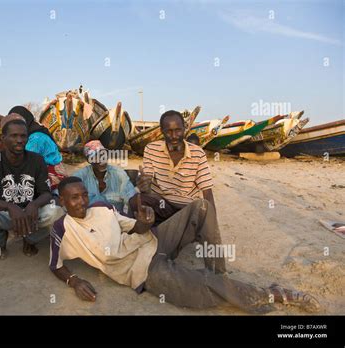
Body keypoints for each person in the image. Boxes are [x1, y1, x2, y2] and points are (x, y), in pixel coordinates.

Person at [49, 177, 320, 313]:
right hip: (144, 271)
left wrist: (146, 221)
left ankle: (219, 272)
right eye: (74, 198)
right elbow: (55, 265)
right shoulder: (62, 229)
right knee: (201, 284)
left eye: (84, 195)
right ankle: (270, 294)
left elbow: (134, 227)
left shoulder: (102, 206)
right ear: (62, 201)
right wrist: (74, 281)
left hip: (153, 241)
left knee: (200, 207)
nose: (82, 202)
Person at [0, 113, 64, 259]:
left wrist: (34, 205)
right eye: (14, 136)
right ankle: (0, 242)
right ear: (3, 138)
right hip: (5, 213)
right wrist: (10, 207)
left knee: (56, 213)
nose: (19, 140)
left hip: (31, 213)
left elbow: (46, 193)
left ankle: (30, 240)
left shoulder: (37, 160)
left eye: (23, 136)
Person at [130, 110, 216, 225]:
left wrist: (212, 223)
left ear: (184, 128)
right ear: (161, 131)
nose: (174, 136)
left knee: (200, 209)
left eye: (178, 130)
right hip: (161, 204)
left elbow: (207, 193)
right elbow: (147, 187)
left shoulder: (198, 153)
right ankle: (171, 225)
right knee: (135, 201)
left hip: (186, 208)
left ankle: (169, 225)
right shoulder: (151, 149)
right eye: (169, 132)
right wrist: (144, 185)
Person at [72, 140, 136, 213]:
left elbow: (131, 198)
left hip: (115, 220)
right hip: (89, 220)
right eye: (95, 156)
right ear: (88, 160)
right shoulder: (80, 176)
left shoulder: (119, 174)